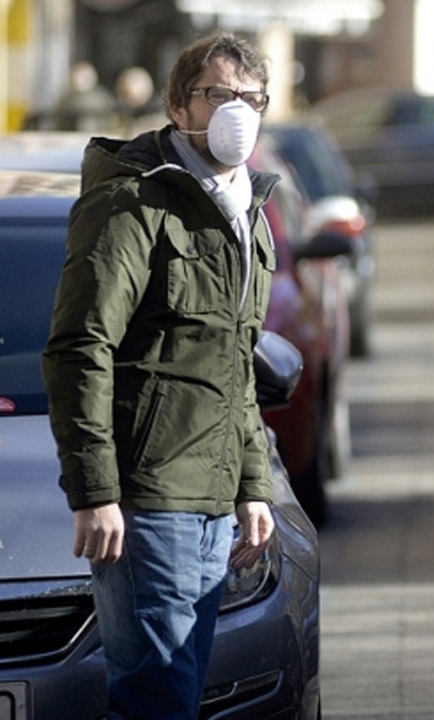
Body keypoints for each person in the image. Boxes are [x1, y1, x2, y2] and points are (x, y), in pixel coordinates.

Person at [42, 31, 278, 720]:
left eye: (251, 99)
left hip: (210, 506)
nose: (237, 111)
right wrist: (96, 491)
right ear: (178, 106)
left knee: (177, 695)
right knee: (157, 702)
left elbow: (234, 362)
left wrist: (251, 485)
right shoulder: (135, 202)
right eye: (218, 96)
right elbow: (79, 346)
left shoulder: (244, 211)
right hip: (148, 503)